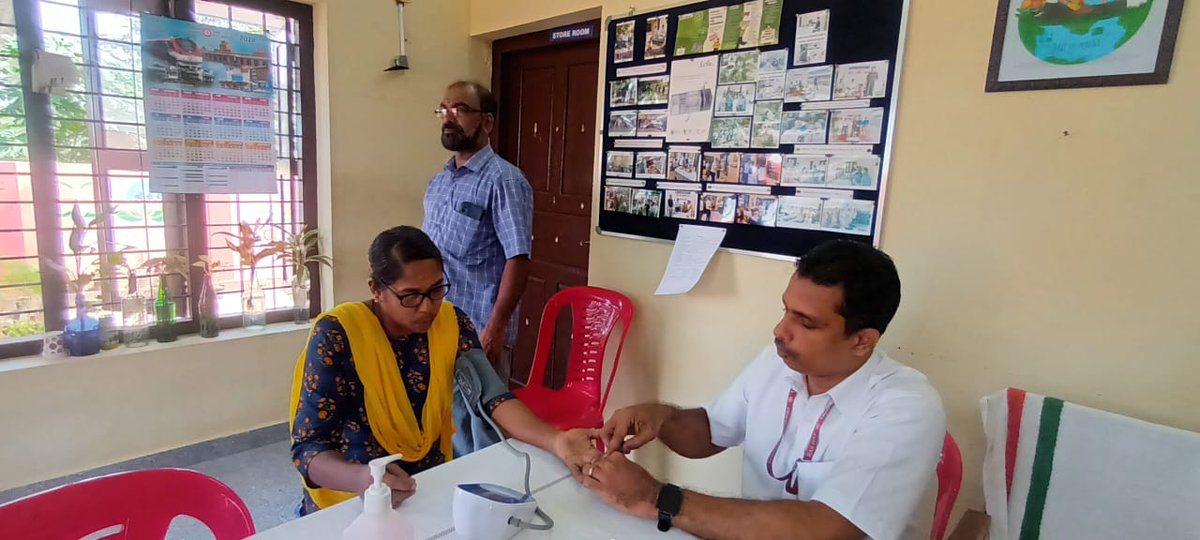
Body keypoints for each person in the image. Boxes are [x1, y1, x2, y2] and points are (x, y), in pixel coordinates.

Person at [582, 240, 945, 540]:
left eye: (805, 322)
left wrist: (657, 498)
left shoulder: (906, 408)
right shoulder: (778, 363)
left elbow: (825, 529)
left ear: (862, 341)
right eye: (786, 310)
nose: (779, 330)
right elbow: (710, 431)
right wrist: (661, 417)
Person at [289, 226, 598, 515]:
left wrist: (557, 441)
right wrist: (364, 481)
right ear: (376, 289)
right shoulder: (337, 335)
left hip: (429, 483)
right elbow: (309, 449)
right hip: (354, 493)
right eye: (410, 296)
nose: (428, 307)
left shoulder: (451, 323)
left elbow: (494, 398)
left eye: (437, 290)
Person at [423, 81, 532, 375]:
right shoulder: (439, 182)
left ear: (487, 122)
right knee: (440, 416)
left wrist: (496, 328)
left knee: (482, 419)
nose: (449, 117)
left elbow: (518, 259)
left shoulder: (504, 181)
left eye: (460, 109)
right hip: (435, 324)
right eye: (444, 109)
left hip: (478, 331)